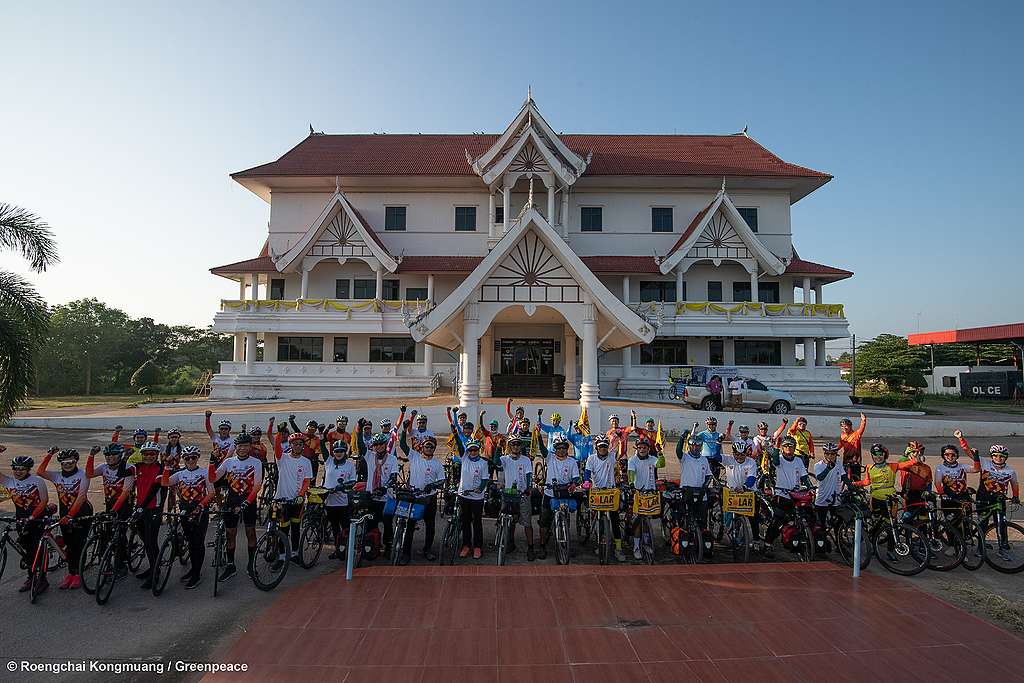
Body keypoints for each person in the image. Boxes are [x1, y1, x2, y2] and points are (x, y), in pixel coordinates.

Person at [206, 434, 263, 581]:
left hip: (248, 501)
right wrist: (212, 460)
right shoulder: (228, 462)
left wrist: (246, 502)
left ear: (250, 447)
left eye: (245, 445)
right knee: (230, 534)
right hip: (231, 500)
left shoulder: (256, 462)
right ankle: (231, 566)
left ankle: (251, 564)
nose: (242, 448)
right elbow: (213, 478)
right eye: (240, 446)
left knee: (250, 533)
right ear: (235, 447)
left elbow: (257, 486)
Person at [36, 448, 93, 590]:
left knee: (79, 545)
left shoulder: (83, 475)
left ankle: (78, 575)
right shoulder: (57, 476)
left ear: (76, 461)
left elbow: (81, 497)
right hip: (65, 513)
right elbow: (40, 472)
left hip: (82, 512)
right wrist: (49, 455)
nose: (67, 465)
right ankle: (71, 573)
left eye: (70, 462)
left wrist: (70, 515)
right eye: (64, 462)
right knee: (69, 544)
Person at [159, 445, 213, 588]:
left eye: (193, 457)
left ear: (197, 458)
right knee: (190, 541)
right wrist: (166, 466)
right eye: (187, 458)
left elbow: (211, 493)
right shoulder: (180, 474)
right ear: (183, 459)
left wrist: (201, 506)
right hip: (185, 509)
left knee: (198, 542)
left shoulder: (204, 472)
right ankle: (193, 569)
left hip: (200, 510)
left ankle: (196, 574)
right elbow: (165, 482)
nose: (190, 460)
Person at [113, 441, 164, 590]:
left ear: (157, 455)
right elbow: (120, 474)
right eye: (145, 454)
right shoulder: (138, 467)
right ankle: (153, 567)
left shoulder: (160, 468)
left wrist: (141, 507)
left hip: (153, 510)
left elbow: (155, 490)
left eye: (152, 454)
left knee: (151, 542)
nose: (148, 456)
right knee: (145, 540)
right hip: (141, 509)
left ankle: (155, 573)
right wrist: (124, 458)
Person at [398, 412, 446, 561]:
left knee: (430, 526)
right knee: (410, 526)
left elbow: (442, 481)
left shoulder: (437, 463)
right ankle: (406, 553)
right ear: (422, 447)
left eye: (432, 446)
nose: (429, 448)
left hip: (429, 499)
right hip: (414, 496)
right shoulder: (414, 456)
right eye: (427, 446)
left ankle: (427, 550)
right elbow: (402, 445)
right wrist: (403, 430)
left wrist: (432, 485)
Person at [0, 454, 50, 592]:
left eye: (22, 469)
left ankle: (43, 579)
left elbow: (44, 501)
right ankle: (31, 577)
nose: (18, 471)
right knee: (28, 551)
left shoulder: (37, 481)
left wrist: (32, 517)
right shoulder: (9, 481)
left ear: (28, 469)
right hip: (21, 520)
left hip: (38, 519)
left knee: (38, 550)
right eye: (15, 468)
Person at [761, 436, 812, 558]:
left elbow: (804, 476)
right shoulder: (778, 459)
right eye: (786, 446)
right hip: (782, 494)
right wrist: (777, 447)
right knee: (777, 520)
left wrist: (810, 487)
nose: (788, 448)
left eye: (791, 446)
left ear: (794, 448)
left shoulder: (799, 460)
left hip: (796, 494)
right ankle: (768, 544)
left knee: (807, 515)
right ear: (782, 448)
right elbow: (775, 462)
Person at [356, 431, 400, 557]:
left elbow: (393, 476)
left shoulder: (392, 459)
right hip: (371, 496)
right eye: (376, 444)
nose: (378, 446)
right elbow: (360, 446)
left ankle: (388, 545)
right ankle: (373, 543)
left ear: (385, 445)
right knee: (371, 522)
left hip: (386, 498)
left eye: (381, 444)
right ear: (373, 446)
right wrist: (359, 431)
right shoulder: (369, 456)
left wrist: (385, 488)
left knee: (387, 523)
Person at [536, 433, 579, 560]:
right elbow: (543, 449)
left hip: (565, 494)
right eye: (559, 448)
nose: (561, 450)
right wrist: (538, 436)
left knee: (566, 521)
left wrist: (574, 484)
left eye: (564, 447)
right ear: (555, 448)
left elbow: (576, 477)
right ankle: (542, 546)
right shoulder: (550, 458)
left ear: (567, 448)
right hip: (550, 494)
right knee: (544, 522)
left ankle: (566, 544)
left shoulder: (572, 461)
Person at [274, 428, 312, 566]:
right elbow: (276, 446)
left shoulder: (306, 462)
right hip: (281, 499)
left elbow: (307, 481)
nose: (297, 446)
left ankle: (295, 554)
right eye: (295, 444)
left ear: (303, 446)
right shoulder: (282, 458)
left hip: (297, 500)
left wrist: (301, 495)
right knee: (282, 529)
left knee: (295, 528)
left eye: (300, 444)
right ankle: (282, 556)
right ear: (290, 445)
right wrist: (278, 433)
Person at [496, 433, 537, 561]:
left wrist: (528, 487)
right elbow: (496, 462)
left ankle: (530, 548)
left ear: (521, 446)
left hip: (522, 494)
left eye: (518, 444)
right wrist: (498, 447)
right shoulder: (504, 459)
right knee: (509, 522)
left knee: (527, 523)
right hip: (508, 494)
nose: (516, 446)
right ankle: (510, 543)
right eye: (513, 444)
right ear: (509, 446)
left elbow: (529, 475)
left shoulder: (525, 459)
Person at [583, 435, 625, 561]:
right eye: (600, 446)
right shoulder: (591, 459)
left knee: (615, 520)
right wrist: (586, 481)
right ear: (597, 447)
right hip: (597, 492)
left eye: (605, 446)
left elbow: (621, 451)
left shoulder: (612, 456)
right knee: (600, 521)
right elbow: (587, 472)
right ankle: (600, 544)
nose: (603, 448)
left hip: (611, 492)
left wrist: (621, 438)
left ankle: (618, 549)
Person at [852, 444, 917, 517]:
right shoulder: (869, 467)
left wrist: (912, 457)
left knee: (890, 521)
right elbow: (867, 482)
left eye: (880, 454)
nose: (878, 457)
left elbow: (907, 464)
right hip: (875, 499)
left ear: (885, 455)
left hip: (890, 499)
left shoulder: (892, 466)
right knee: (876, 520)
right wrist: (854, 483)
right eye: (875, 454)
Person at [626, 438, 665, 559]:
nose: (642, 449)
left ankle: (647, 542)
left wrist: (660, 453)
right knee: (638, 521)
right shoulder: (632, 460)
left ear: (648, 449)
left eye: (645, 448)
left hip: (650, 493)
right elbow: (631, 474)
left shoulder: (652, 459)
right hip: (638, 493)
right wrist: (632, 484)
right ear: (637, 448)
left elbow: (661, 464)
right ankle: (636, 546)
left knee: (648, 518)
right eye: (640, 447)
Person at [451, 434, 489, 559]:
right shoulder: (464, 458)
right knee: (465, 521)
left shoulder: (483, 463)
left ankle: (477, 547)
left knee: (477, 522)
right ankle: (466, 545)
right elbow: (460, 447)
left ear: (478, 450)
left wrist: (480, 489)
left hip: (477, 497)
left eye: (475, 450)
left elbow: (484, 479)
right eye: (470, 450)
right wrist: (456, 434)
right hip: (464, 495)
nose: (473, 452)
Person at [957, 431, 1020, 505]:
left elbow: (1014, 485)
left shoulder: (1011, 471)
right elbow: (968, 451)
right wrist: (961, 439)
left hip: (999, 499)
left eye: (1002, 456)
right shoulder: (985, 463)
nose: (998, 458)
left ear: (1006, 457)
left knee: (1001, 517)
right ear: (992, 456)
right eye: (995, 455)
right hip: (983, 497)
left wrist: (1015, 496)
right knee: (982, 516)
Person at [321, 441, 357, 560]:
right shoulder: (329, 461)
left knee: (345, 527)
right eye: (336, 451)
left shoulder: (350, 465)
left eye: (341, 451)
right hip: (329, 502)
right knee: (335, 528)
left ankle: (347, 549)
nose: (339, 453)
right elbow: (323, 449)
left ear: (345, 452)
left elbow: (353, 481)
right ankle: (338, 550)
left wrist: (344, 486)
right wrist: (322, 437)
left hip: (343, 502)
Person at [811, 442, 851, 543]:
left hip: (835, 498)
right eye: (827, 454)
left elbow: (844, 476)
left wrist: (852, 487)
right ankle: (822, 544)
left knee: (838, 524)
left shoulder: (838, 463)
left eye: (832, 454)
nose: (830, 456)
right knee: (821, 524)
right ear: (824, 454)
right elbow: (820, 477)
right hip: (822, 498)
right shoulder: (818, 465)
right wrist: (828, 468)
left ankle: (839, 545)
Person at [288, 417, 324, 484]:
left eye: (313, 428)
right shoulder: (302, 436)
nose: (311, 430)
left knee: (312, 481)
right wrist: (291, 421)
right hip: (300, 460)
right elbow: (296, 430)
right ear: (306, 428)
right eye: (309, 428)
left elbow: (317, 452)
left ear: (315, 430)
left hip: (312, 462)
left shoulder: (317, 440)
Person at [838, 414, 868, 480]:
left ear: (850, 426)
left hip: (855, 458)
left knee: (856, 476)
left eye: (846, 426)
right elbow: (840, 444)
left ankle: (857, 488)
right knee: (845, 475)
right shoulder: (842, 435)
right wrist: (835, 450)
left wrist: (863, 420)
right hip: (846, 457)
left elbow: (861, 428)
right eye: (842, 426)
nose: (844, 428)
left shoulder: (856, 434)